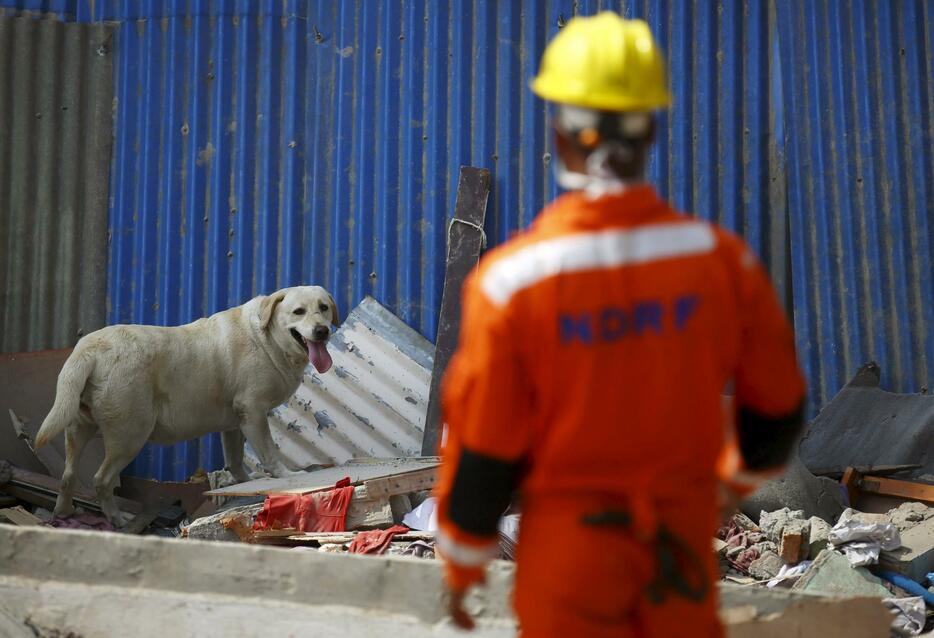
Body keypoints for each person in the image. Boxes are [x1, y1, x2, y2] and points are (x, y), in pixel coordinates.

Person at [433, 12, 806, 638]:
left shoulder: (512, 282)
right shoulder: (720, 264)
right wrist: (727, 486)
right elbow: (779, 412)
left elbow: (484, 452)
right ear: (651, 128)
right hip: (677, 564)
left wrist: (465, 565)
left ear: (559, 131)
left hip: (570, 574)